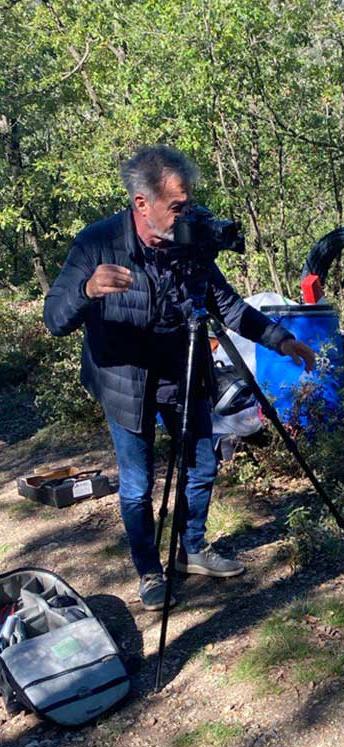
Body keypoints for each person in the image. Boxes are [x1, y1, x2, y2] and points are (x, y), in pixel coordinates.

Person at [43, 146, 315, 611]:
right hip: (122, 380)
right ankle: (150, 570)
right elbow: (54, 318)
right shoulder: (97, 243)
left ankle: (193, 550)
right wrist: (88, 290)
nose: (184, 214)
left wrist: (282, 340)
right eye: (176, 206)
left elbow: (226, 305)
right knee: (136, 483)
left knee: (202, 467)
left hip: (181, 370)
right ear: (141, 204)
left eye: (187, 203)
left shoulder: (188, 241)